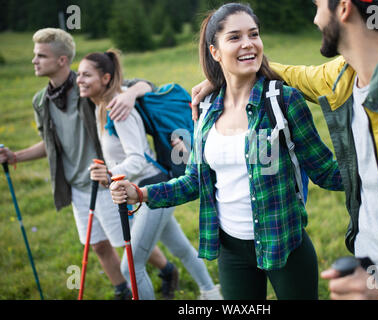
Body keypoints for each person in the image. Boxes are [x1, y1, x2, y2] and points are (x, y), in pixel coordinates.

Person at [191, 0, 378, 300]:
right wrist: (227, 74)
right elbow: (294, 74)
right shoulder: (344, 76)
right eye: (235, 36)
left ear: (343, 8)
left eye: (317, 6)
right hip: (365, 270)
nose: (314, 19)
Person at [110, 3, 343, 300]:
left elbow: (326, 171)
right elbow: (194, 180)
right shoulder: (206, 109)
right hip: (231, 251)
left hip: (285, 243)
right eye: (234, 37)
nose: (248, 43)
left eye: (254, 34)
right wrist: (140, 194)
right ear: (215, 51)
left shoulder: (283, 101)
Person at [0, 28, 174, 300]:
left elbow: (144, 84)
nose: (34, 61)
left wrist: (130, 95)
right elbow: (51, 144)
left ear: (61, 60)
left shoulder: (87, 88)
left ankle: (166, 269)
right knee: (98, 245)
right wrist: (16, 156)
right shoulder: (41, 101)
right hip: (77, 185)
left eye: (41, 56)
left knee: (124, 242)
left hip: (106, 181)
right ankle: (122, 291)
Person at [76, 49, 223, 300]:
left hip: (150, 187)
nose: (79, 79)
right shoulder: (102, 106)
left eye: (86, 75)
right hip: (146, 187)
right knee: (182, 249)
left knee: (130, 267)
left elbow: (137, 158)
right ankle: (211, 293)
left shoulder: (118, 109)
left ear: (106, 78)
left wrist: (110, 174)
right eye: (78, 74)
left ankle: (211, 293)